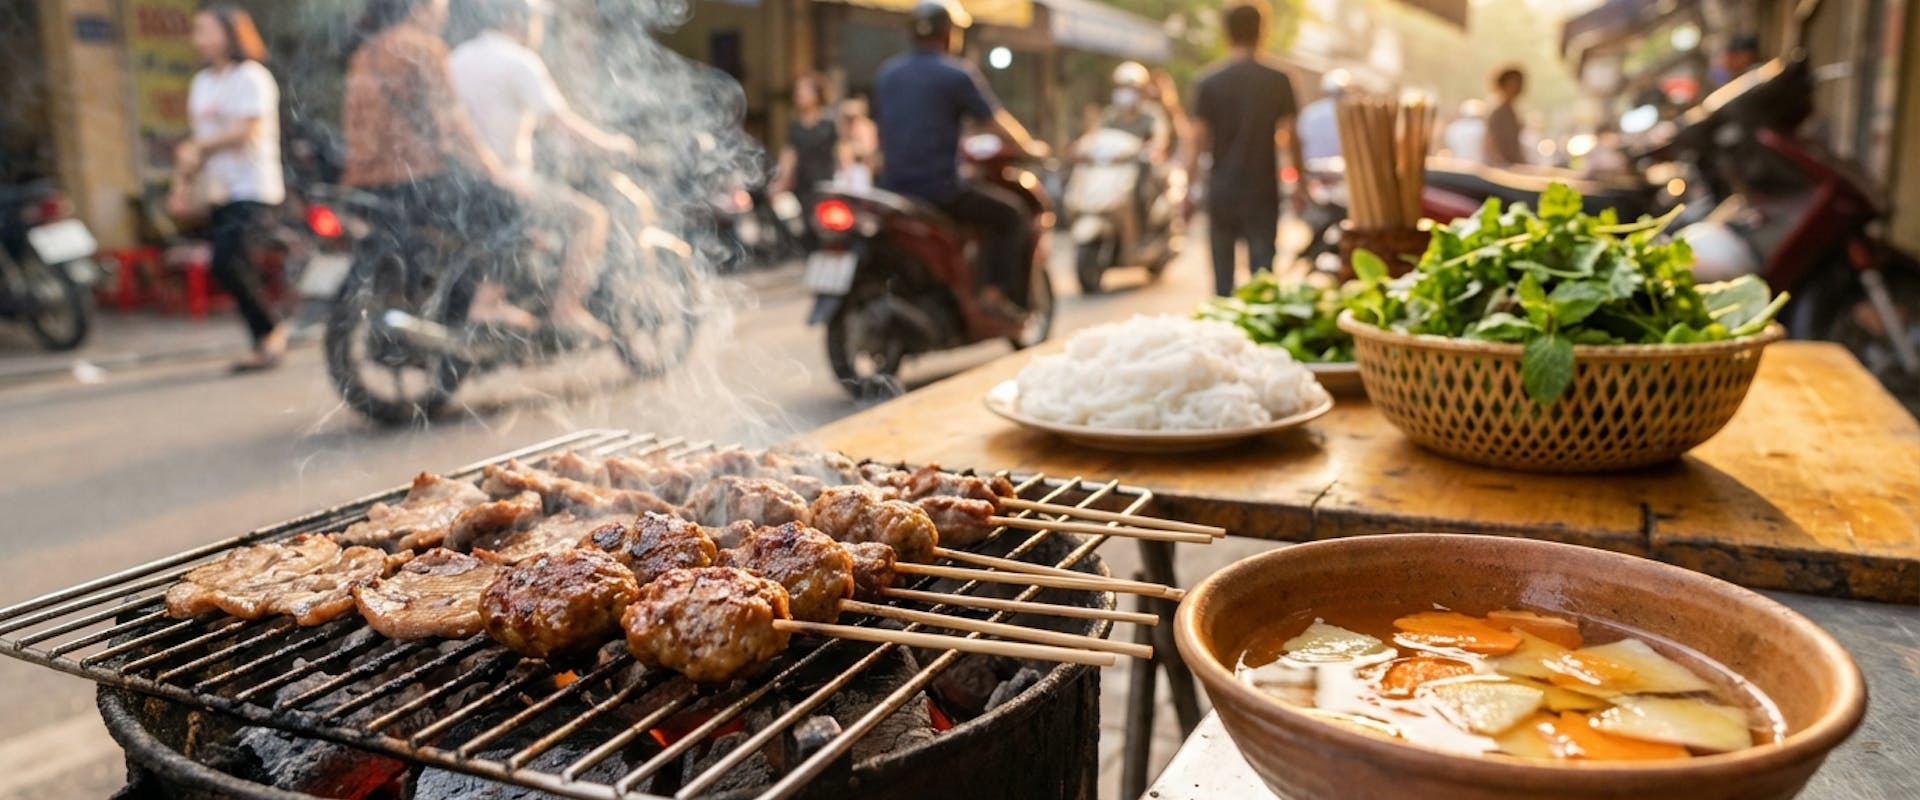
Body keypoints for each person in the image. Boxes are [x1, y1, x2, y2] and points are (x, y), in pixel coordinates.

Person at [449, 0, 639, 340]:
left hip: (460, 183)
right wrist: (611, 144)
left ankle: (525, 303)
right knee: (590, 218)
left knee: (538, 231)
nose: (538, 31)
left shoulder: (457, 58)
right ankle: (567, 309)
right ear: (517, 20)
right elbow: (559, 123)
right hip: (507, 179)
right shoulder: (520, 61)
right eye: (536, 21)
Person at [341, 0, 531, 330]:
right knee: (510, 209)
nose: (445, 11)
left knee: (464, 227)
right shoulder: (425, 47)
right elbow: (452, 121)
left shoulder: (364, 53)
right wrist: (493, 168)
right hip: (415, 181)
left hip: (363, 186)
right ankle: (487, 305)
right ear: (417, 7)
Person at [872, 0, 1048, 317]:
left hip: (892, 188)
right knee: (1012, 214)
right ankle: (994, 295)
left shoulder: (888, 74)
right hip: (939, 189)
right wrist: (1030, 147)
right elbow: (996, 121)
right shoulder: (956, 74)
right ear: (950, 34)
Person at [178, 5, 286, 372]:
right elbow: (199, 138)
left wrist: (200, 148)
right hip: (218, 189)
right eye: (197, 32)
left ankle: (270, 332)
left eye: (207, 30)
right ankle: (264, 337)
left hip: (253, 186)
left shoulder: (251, 77)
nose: (200, 39)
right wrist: (184, 179)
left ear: (230, 34)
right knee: (227, 265)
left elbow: (247, 130)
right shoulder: (202, 82)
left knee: (228, 259)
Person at [1180, 1, 1303, 296]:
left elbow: (1196, 142)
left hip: (1221, 191)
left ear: (1226, 33)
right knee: (1263, 283)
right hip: (1262, 191)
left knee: (1223, 284)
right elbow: (1291, 136)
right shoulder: (1278, 80)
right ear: (1263, 31)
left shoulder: (1209, 81)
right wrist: (1301, 182)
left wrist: (1188, 190)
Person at [771, 74, 840, 228]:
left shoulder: (830, 124)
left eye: (804, 90)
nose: (799, 94)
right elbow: (789, 157)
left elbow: (842, 154)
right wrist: (780, 183)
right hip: (802, 187)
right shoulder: (795, 127)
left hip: (826, 187)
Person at [1297, 69, 1347, 163]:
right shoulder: (1346, 112)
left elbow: (1300, 138)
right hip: (1341, 165)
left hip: (1312, 166)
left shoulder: (1309, 112)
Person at [1484, 66, 1528, 168]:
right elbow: (1491, 144)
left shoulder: (1511, 112)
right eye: (1513, 83)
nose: (1518, 87)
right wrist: (1504, 166)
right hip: (1503, 169)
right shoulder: (1498, 112)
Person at [836, 94, 879, 189]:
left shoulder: (867, 127)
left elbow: (869, 151)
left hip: (862, 171)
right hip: (845, 173)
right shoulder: (844, 128)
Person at [1441, 99, 1487, 164]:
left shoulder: (1454, 127)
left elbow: (1450, 148)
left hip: (1458, 167)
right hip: (1480, 168)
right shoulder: (1483, 128)